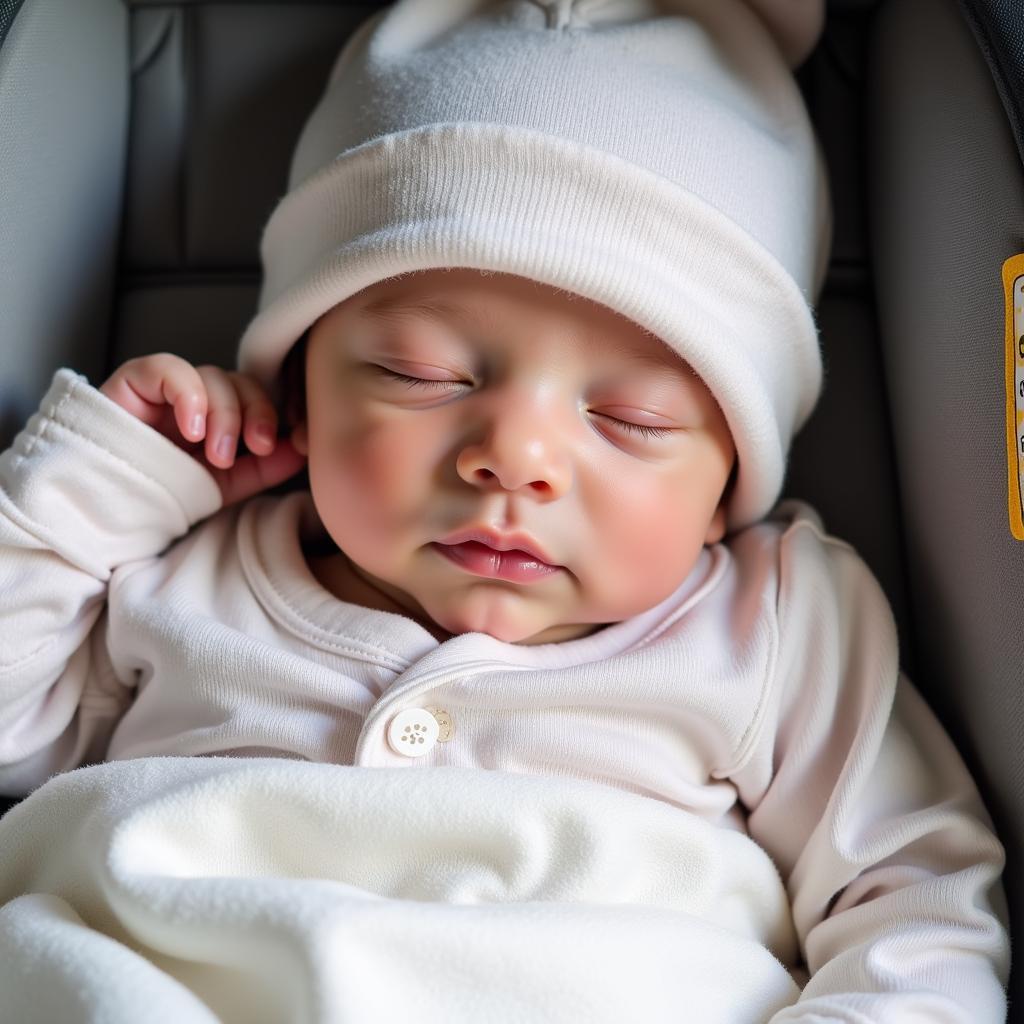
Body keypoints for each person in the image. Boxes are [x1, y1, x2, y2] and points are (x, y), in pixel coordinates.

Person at [0, 0, 1010, 1018]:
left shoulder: (775, 623)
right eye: (421, 374)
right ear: (302, 388)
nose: (514, 459)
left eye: (631, 417)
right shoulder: (178, 564)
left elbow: (913, 902)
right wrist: (112, 479)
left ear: (726, 486)